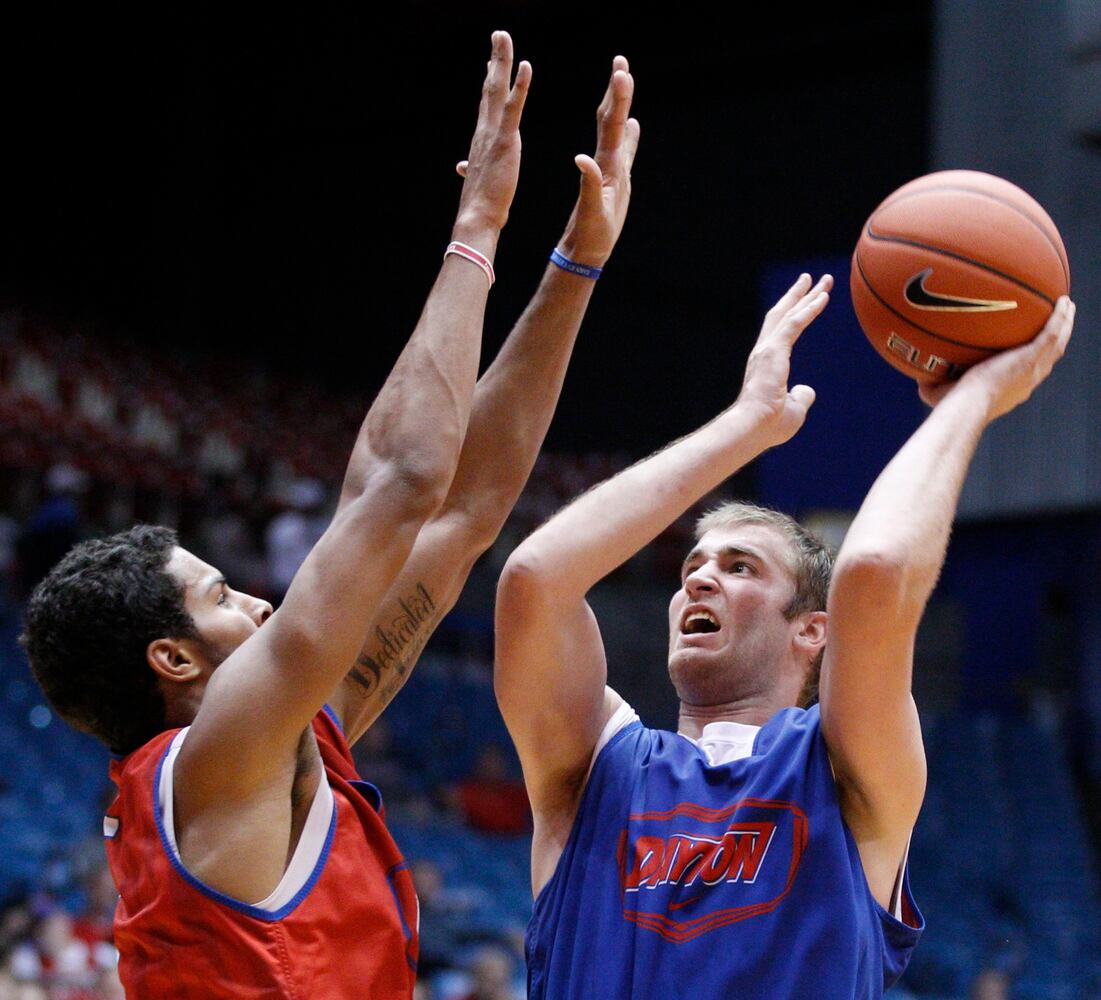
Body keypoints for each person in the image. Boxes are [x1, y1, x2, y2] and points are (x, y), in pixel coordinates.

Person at [22, 33, 639, 998]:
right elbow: (399, 484)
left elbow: (465, 510)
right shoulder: (211, 757)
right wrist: (478, 222)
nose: (262, 603)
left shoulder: (287, 741)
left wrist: (574, 264)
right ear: (173, 659)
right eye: (220, 595)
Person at [495, 276, 1075, 998]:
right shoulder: (597, 768)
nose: (699, 581)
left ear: (810, 630)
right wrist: (744, 426)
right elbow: (535, 580)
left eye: (739, 568)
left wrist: (970, 401)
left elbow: (873, 571)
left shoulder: (838, 765)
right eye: (691, 568)